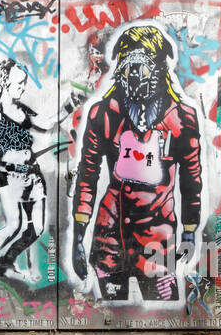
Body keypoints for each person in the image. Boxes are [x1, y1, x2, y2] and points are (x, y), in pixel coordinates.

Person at [70, 24, 203, 302]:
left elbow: (191, 180)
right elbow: (88, 174)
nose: (134, 73)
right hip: (110, 241)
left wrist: (190, 230)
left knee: (157, 316)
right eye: (128, 63)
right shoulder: (104, 114)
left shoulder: (181, 118)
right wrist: (79, 233)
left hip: (157, 241)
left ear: (159, 69)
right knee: (111, 312)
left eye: (143, 64)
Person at [0, 59, 55, 282]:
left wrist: (69, 106)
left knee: (35, 229)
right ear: (6, 81)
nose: (22, 87)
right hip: (11, 175)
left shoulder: (21, 109)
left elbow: (45, 124)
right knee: (14, 225)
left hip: (33, 176)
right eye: (19, 83)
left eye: (24, 83)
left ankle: (5, 262)